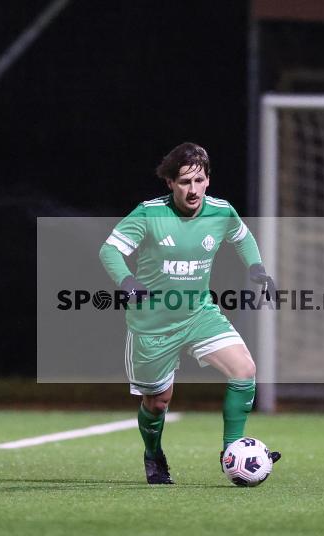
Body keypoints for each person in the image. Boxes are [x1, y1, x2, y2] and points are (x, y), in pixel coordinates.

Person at [99, 142, 281, 484]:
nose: (193, 189)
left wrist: (256, 267)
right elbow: (109, 250)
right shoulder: (150, 214)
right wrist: (126, 280)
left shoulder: (221, 212)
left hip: (199, 315)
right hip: (153, 324)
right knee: (157, 402)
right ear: (170, 183)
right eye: (184, 182)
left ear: (208, 181)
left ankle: (231, 451)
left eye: (198, 180)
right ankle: (153, 454)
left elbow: (242, 237)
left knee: (244, 369)